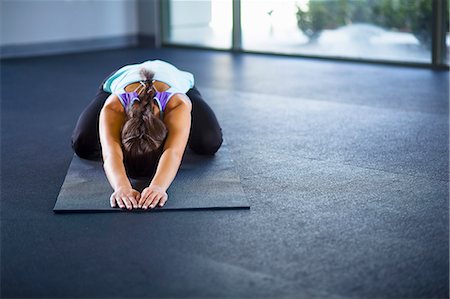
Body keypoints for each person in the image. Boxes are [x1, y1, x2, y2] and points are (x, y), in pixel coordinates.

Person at [71, 59, 223, 211]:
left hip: (174, 77)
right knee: (82, 144)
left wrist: (159, 186)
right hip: (122, 78)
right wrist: (120, 187)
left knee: (209, 141)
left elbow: (173, 152)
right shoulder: (114, 105)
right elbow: (111, 153)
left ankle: (182, 128)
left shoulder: (177, 103)